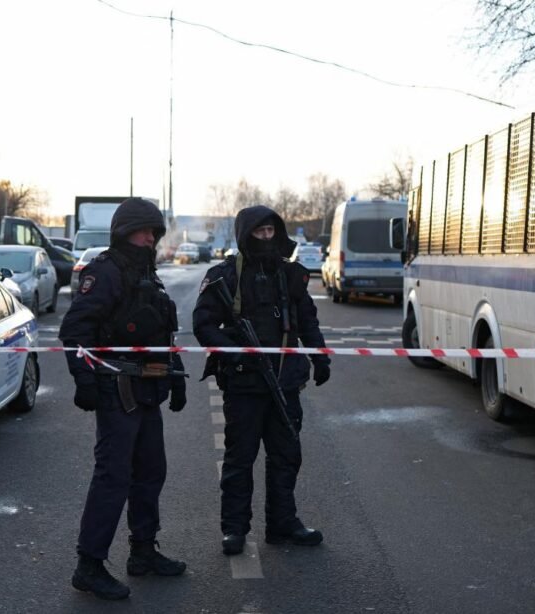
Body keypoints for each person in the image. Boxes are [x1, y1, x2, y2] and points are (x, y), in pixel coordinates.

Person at [59, 197, 187, 601]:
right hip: (117, 389)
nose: (152, 238)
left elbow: (162, 332)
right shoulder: (107, 272)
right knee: (113, 478)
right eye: (146, 230)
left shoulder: (148, 274)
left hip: (148, 389)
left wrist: (176, 375)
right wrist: (84, 381)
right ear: (125, 230)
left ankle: (144, 551)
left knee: (151, 472)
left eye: (155, 232)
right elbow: (73, 330)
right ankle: (89, 565)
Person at [192, 205, 331, 555]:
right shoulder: (225, 277)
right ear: (245, 234)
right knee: (240, 459)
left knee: (286, 456)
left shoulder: (291, 275)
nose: (267, 238)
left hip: (284, 382)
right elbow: (204, 325)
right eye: (260, 232)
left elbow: (308, 321)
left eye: (272, 231)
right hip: (244, 386)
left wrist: (319, 355)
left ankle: (283, 523)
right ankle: (235, 529)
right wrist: (237, 352)